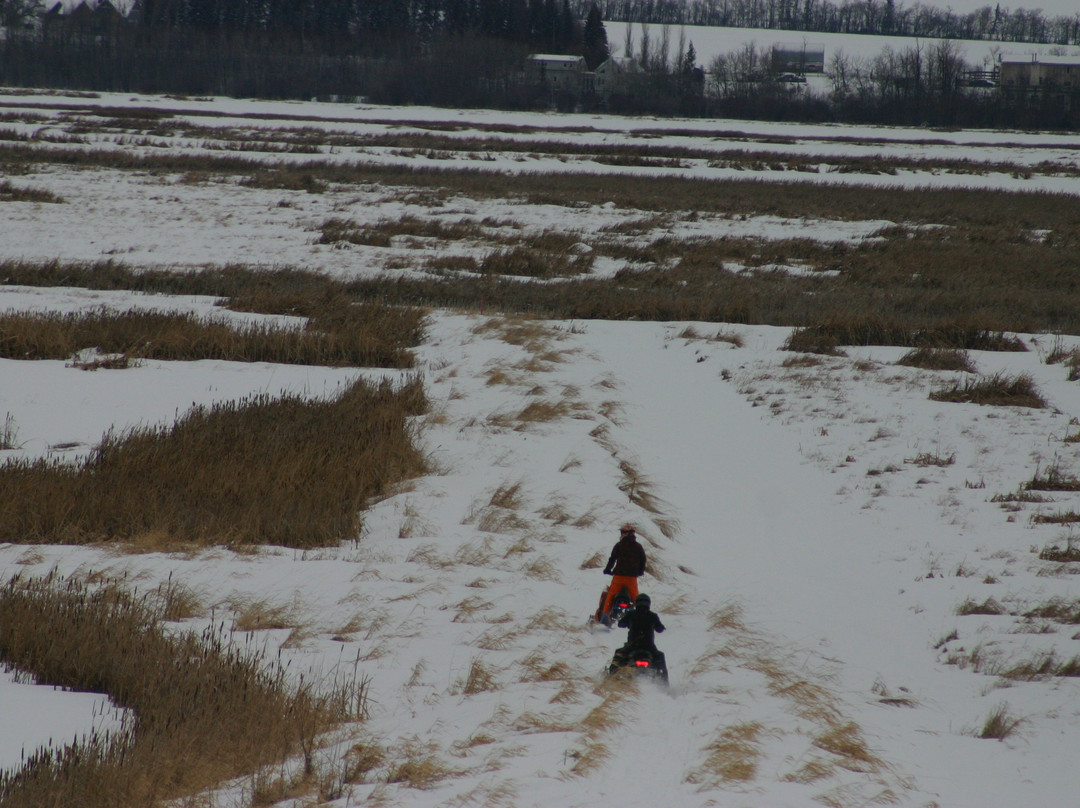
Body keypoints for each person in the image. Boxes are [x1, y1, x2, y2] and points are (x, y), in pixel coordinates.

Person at [595, 523, 646, 624]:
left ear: (625, 533)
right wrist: (640, 572)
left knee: (610, 597)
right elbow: (643, 561)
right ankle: (640, 619)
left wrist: (607, 570)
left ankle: (604, 619)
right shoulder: (638, 547)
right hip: (632, 578)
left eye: (622, 532)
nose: (621, 534)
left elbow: (612, 559)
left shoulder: (619, 545)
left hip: (619, 576)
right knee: (636, 599)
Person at [610, 593, 667, 678]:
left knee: (618, 655)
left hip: (632, 647)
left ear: (636, 603)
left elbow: (620, 624)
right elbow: (660, 629)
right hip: (649, 648)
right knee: (660, 658)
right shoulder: (652, 616)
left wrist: (627, 624)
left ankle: (611, 678)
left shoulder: (631, 614)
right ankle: (664, 682)